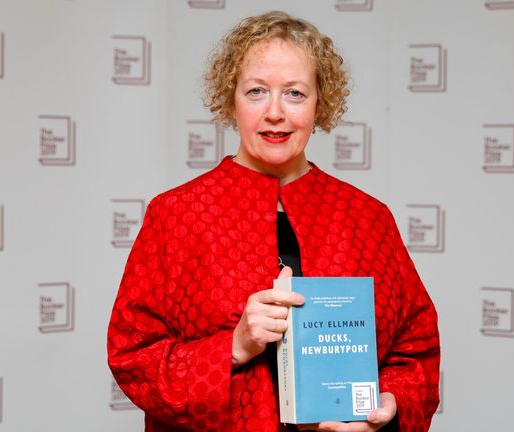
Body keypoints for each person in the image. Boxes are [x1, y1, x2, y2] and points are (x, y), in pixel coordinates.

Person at [108, 11, 440, 432]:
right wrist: (233, 346)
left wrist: (390, 406)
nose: (275, 113)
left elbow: (416, 350)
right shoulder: (176, 215)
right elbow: (133, 355)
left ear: (321, 102)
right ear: (232, 100)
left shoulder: (369, 218)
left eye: (295, 94)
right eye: (257, 92)